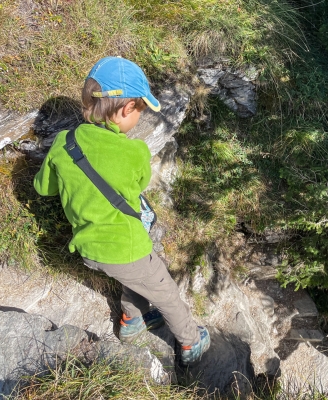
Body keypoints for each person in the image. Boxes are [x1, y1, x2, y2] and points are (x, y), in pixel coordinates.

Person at [33, 56, 210, 365]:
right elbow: (139, 183)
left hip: (89, 249)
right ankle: (191, 342)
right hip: (126, 246)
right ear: (126, 110)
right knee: (166, 292)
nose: (138, 119)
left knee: (134, 276)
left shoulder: (65, 142)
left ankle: (133, 321)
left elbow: (42, 187)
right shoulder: (134, 151)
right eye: (139, 111)